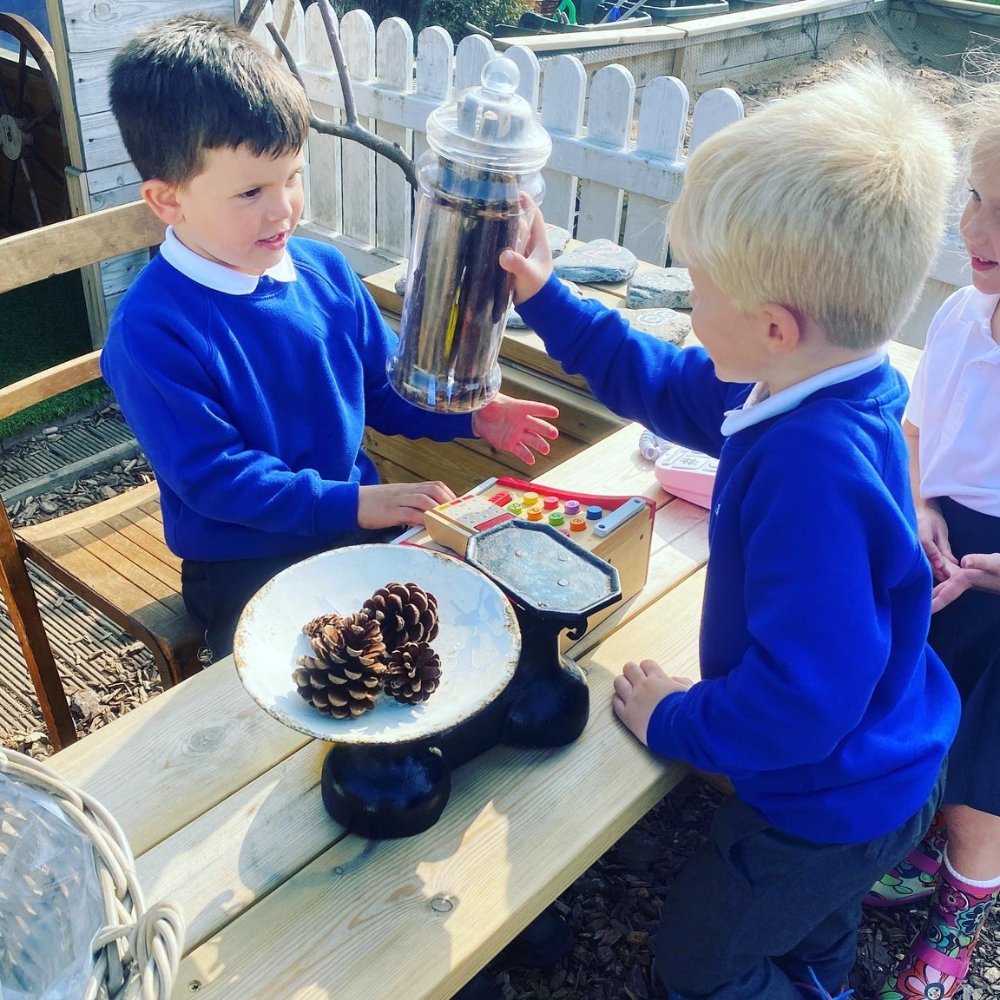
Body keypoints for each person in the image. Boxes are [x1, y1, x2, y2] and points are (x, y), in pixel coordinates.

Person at [498, 65, 961, 1000]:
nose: (688, 307)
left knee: (706, 963)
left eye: (699, 290)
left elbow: (800, 705)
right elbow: (665, 385)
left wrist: (674, 718)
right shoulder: (825, 380)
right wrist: (546, 296)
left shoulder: (808, 465)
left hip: (817, 800)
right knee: (816, 927)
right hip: (881, 765)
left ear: (776, 326)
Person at [100, 14, 559, 662]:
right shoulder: (152, 332)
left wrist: (472, 418)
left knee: (451, 633)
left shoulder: (326, 273)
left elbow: (382, 386)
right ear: (168, 201)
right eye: (252, 190)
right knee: (318, 677)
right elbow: (218, 482)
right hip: (245, 554)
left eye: (292, 176)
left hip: (351, 518)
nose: (283, 207)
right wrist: (357, 504)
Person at [865, 83, 1000, 1000]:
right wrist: (921, 506)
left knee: (987, 764)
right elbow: (920, 434)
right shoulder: (960, 319)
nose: (977, 226)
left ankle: (968, 897)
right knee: (925, 715)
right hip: (947, 548)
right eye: (980, 196)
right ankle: (931, 847)